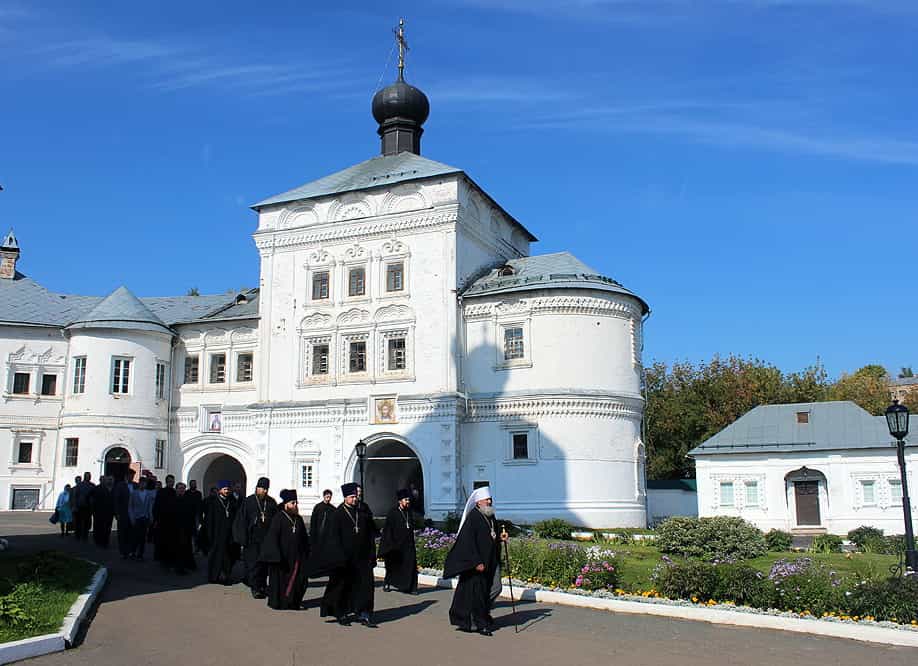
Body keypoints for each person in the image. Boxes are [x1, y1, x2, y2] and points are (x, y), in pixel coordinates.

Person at [443, 487, 507, 636]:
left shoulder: (490, 515)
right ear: (478, 502)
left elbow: (492, 534)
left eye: (490, 499)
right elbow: (467, 543)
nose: (489, 502)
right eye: (487, 500)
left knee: (496, 588)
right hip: (478, 564)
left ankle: (482, 614)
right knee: (478, 594)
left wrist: (500, 538)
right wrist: (476, 561)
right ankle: (480, 623)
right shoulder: (473, 518)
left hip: (492, 561)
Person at [318, 483, 378, 627]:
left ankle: (364, 613)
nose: (355, 499)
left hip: (362, 558)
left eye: (356, 496)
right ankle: (341, 613)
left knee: (365, 586)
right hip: (345, 558)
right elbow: (333, 538)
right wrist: (338, 557)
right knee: (342, 586)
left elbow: (370, 534)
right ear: (345, 498)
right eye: (352, 497)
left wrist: (371, 554)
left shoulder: (361, 512)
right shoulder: (338, 514)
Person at [260, 489, 310, 610]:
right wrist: (276, 555)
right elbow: (272, 538)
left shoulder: (298, 519)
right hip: (282, 557)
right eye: (293, 503)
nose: (295, 505)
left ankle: (293, 602)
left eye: (296, 503)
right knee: (280, 582)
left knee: (299, 580)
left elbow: (304, 537)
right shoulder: (279, 518)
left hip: (296, 557)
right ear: (286, 504)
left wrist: (307, 552)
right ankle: (280, 603)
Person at [233, 477, 277, 599]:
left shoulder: (271, 503)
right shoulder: (249, 502)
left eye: (266, 489)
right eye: (263, 489)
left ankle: (262, 585)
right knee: (253, 565)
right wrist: (242, 539)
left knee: (263, 565)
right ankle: (255, 588)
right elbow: (241, 521)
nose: (265, 491)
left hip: (266, 540)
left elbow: (275, 521)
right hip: (252, 540)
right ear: (257, 488)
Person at [378, 489, 418, 594]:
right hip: (396, 545)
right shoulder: (393, 513)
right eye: (406, 500)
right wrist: (390, 545)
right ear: (400, 501)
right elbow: (388, 531)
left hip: (408, 544)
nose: (408, 502)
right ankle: (387, 583)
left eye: (408, 499)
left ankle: (410, 587)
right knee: (393, 566)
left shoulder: (409, 512)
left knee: (410, 565)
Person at [202, 480, 238, 584]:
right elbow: (209, 521)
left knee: (227, 558)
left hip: (228, 535)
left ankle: (225, 577)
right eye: (224, 489)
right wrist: (210, 535)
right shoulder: (214, 502)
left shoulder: (231, 502)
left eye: (228, 489)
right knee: (216, 557)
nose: (226, 491)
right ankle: (214, 577)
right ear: (220, 490)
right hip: (217, 535)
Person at [152, 474, 179, 568]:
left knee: (171, 541)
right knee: (162, 541)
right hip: (163, 520)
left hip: (172, 521)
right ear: (167, 482)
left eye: (173, 481)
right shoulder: (161, 492)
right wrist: (156, 519)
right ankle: (163, 560)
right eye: (170, 481)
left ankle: (170, 559)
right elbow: (157, 506)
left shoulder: (174, 492)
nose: (172, 483)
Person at [173, 483, 198, 575]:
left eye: (183, 488)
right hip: (175, 528)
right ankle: (178, 567)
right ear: (176, 489)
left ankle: (186, 565)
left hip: (186, 528)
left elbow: (191, 513)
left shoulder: (187, 500)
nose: (181, 490)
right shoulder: (173, 500)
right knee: (178, 548)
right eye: (180, 488)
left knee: (186, 547)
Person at [128, 478, 155, 560]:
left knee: (143, 537)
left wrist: (151, 517)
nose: (143, 485)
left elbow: (150, 507)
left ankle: (140, 554)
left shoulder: (148, 494)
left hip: (145, 517)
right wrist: (132, 517)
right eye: (142, 483)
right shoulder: (134, 493)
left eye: (145, 483)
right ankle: (132, 551)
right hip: (136, 517)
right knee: (135, 536)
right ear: (139, 483)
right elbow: (130, 506)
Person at [113, 469, 136, 559]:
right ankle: (123, 551)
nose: (132, 477)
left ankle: (130, 550)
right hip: (123, 512)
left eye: (133, 476)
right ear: (126, 476)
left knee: (132, 532)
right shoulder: (120, 486)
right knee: (122, 533)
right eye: (130, 476)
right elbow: (116, 500)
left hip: (133, 513)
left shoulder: (135, 485)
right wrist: (117, 513)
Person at [91, 476, 116, 548]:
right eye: (109, 480)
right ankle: (99, 541)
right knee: (100, 527)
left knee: (108, 527)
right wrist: (94, 510)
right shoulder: (99, 489)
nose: (110, 481)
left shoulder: (114, 489)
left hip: (110, 512)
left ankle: (105, 541)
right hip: (100, 512)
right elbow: (94, 500)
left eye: (112, 480)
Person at [73, 472, 96, 541]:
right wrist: (75, 506)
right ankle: (78, 535)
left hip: (88, 507)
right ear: (85, 477)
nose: (89, 477)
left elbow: (94, 496)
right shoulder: (80, 485)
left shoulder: (92, 485)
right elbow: (75, 496)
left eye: (89, 476)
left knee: (87, 522)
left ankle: (84, 535)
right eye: (87, 476)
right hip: (80, 506)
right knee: (79, 522)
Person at [186, 479, 204, 551]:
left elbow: (200, 504)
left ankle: (197, 547)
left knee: (197, 532)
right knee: (190, 531)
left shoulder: (198, 493)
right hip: (189, 515)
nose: (194, 485)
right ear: (190, 485)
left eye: (195, 483)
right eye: (192, 484)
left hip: (197, 515)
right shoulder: (187, 493)